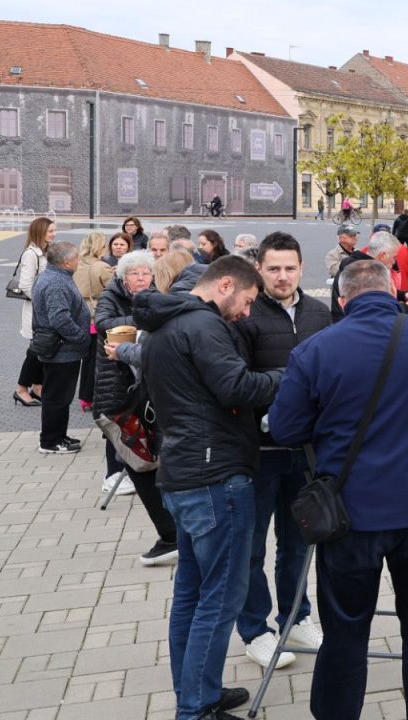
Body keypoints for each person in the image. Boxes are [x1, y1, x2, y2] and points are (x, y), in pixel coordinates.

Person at [267, 259, 408, 719]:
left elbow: (285, 428)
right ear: (393, 292)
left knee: (345, 633)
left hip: (350, 514)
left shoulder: (316, 350)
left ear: (343, 300)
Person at [135, 255, 282, 720]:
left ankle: (196, 692)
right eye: (247, 301)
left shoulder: (167, 323)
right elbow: (236, 387)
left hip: (183, 473)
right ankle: (197, 708)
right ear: (225, 285)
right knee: (220, 599)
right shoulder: (203, 326)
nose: (246, 312)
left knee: (192, 594)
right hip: (214, 477)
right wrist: (289, 375)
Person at [232, 232, 333, 671]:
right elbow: (235, 382)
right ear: (259, 269)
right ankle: (255, 630)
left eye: (290, 268)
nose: (282, 276)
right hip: (258, 452)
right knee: (250, 547)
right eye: (273, 268)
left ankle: (295, 616)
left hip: (305, 451)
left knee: (297, 542)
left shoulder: (319, 313)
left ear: (301, 268)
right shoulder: (245, 314)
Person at [94, 251, 179, 562]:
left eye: (146, 273)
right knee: (135, 459)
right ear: (123, 277)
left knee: (147, 460)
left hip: (148, 392)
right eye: (135, 274)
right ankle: (171, 532)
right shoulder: (112, 295)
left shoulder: (156, 295)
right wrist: (143, 318)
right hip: (119, 393)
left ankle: (172, 533)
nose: (142, 279)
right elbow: (103, 322)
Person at [31, 242, 91, 455]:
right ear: (65, 262)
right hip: (62, 352)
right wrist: (81, 337)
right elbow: (60, 319)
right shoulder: (56, 283)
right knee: (57, 398)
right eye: (76, 258)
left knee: (60, 397)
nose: (78, 261)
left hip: (63, 350)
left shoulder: (55, 276)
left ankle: (59, 436)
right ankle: (50, 441)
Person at [332, 231, 408, 322]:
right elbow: (378, 311)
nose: (394, 262)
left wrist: (403, 295)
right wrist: (407, 308)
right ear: (383, 256)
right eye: (394, 257)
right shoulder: (364, 273)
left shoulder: (360, 265)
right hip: (352, 324)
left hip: (346, 321)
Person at [14, 217, 54, 409]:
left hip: (45, 312)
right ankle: (21, 389)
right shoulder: (31, 254)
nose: (54, 234)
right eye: (50, 231)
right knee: (35, 351)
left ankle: (38, 387)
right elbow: (25, 285)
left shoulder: (47, 251)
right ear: (40, 232)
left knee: (41, 350)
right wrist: (43, 302)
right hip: (37, 310)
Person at [74, 232, 114, 411]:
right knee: (98, 361)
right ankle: (93, 396)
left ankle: (85, 398)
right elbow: (113, 288)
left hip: (80, 315)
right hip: (96, 315)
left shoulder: (77, 264)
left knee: (87, 360)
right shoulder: (102, 267)